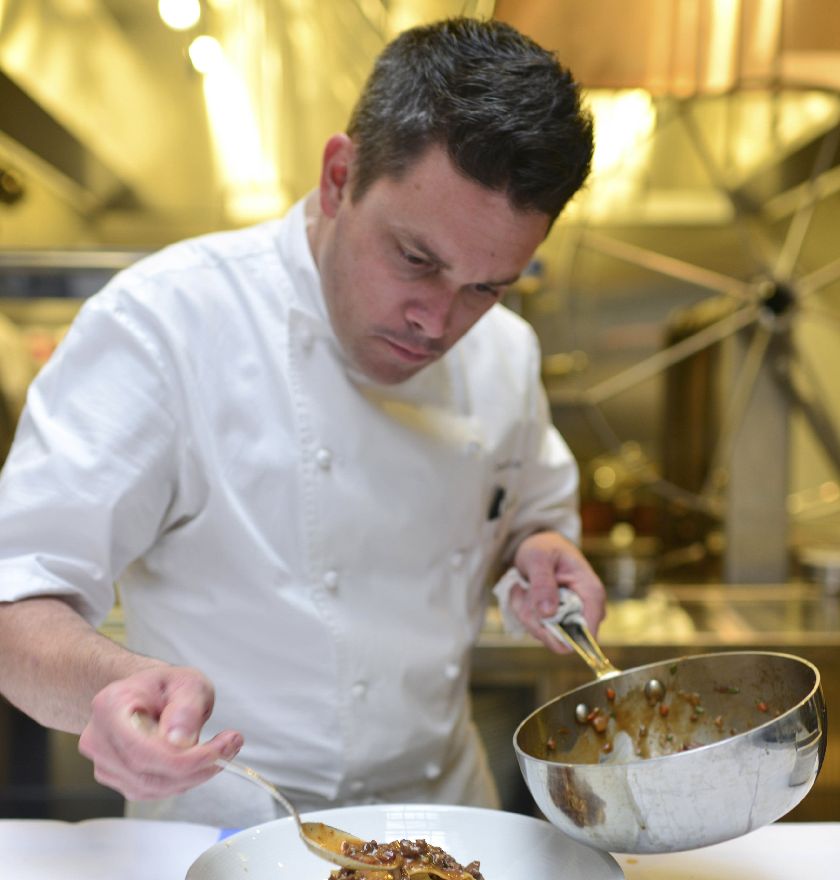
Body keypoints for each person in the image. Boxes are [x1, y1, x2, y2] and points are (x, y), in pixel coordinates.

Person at [0, 17, 605, 827]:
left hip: (446, 823)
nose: (438, 320)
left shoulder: (508, 355)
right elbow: (18, 598)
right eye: (416, 259)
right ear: (338, 176)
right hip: (223, 831)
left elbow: (529, 511)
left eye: (486, 287)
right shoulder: (166, 324)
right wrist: (107, 687)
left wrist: (542, 553)